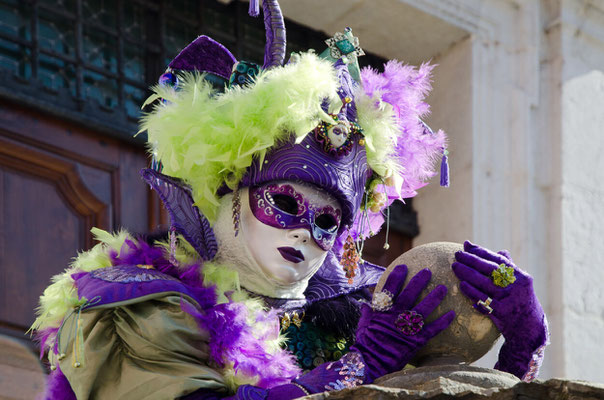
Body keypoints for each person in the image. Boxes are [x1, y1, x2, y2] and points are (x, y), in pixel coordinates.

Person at [31, 1, 548, 399]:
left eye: (328, 221)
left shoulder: (364, 318)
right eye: (285, 202)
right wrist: (357, 369)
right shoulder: (139, 309)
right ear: (229, 190)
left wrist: (521, 348)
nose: (306, 231)